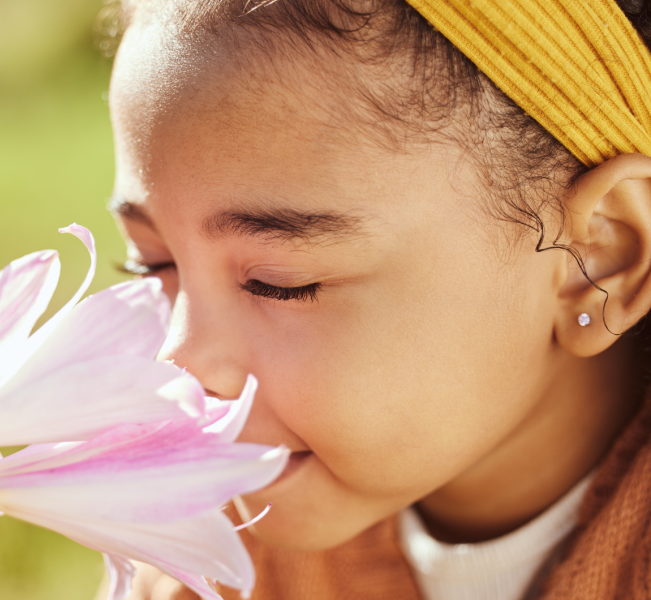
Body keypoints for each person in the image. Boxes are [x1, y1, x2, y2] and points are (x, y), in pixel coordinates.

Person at [105, 0, 651, 598]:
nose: (176, 364)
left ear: (601, 260)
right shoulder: (203, 562)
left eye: (280, 282)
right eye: (153, 261)